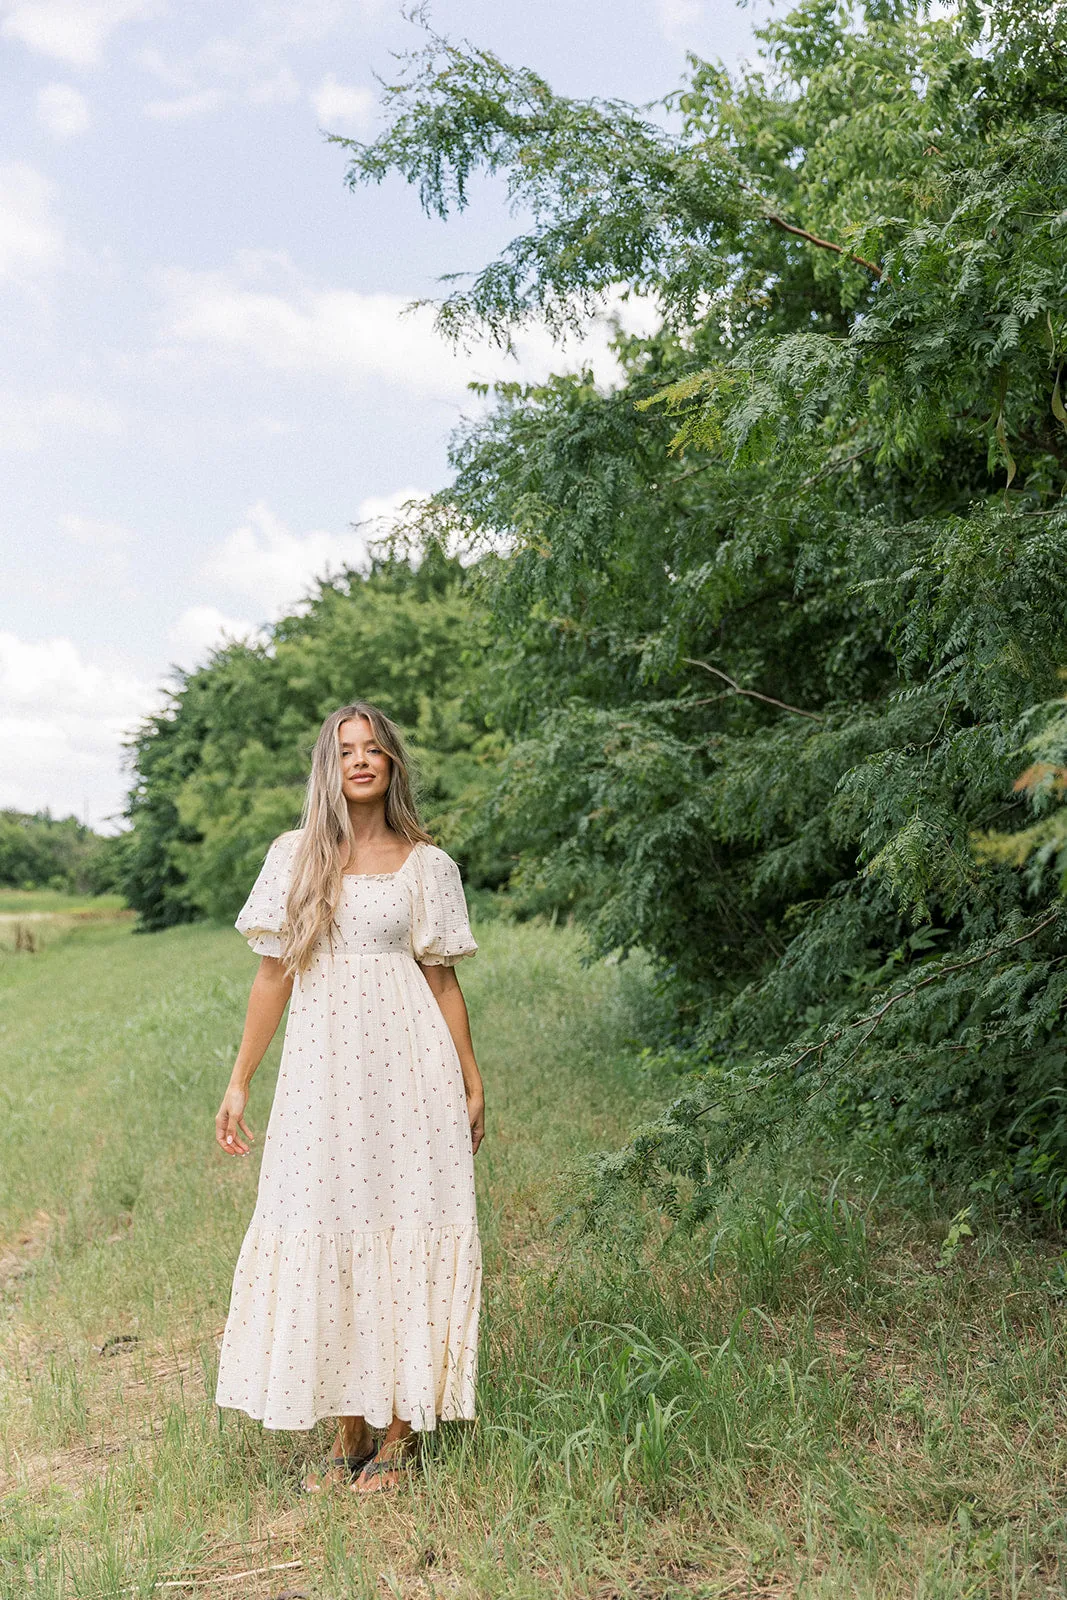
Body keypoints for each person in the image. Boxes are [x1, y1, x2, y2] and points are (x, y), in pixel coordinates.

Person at [213, 700, 485, 1494]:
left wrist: (471, 1079)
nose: (360, 760)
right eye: (345, 751)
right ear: (327, 769)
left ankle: (399, 1435)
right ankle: (345, 1432)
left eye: (373, 749)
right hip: (319, 1078)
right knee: (323, 1219)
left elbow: (443, 979)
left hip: (410, 1075)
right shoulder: (294, 856)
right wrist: (239, 1080)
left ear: (392, 763)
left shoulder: (426, 864)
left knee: (403, 1224)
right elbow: (272, 976)